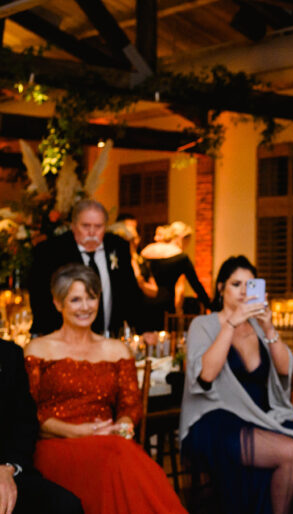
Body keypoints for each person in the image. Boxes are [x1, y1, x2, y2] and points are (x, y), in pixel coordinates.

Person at [22, 264, 186, 513]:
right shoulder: (37, 350)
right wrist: (77, 432)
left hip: (109, 441)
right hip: (54, 444)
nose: (86, 306)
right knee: (120, 460)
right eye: (76, 299)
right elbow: (26, 414)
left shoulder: (117, 350)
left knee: (125, 458)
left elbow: (130, 405)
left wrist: (123, 424)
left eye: (91, 297)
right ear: (58, 303)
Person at [180, 256, 293, 514]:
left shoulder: (259, 328)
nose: (242, 292)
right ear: (220, 288)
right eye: (236, 284)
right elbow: (205, 375)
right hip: (216, 419)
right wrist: (231, 324)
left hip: (260, 416)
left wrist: (269, 328)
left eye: (249, 286)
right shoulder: (202, 325)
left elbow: (286, 369)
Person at [28, 199, 141, 337]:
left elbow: (130, 291)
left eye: (98, 226)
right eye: (86, 226)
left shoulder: (118, 246)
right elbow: (40, 298)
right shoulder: (50, 251)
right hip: (63, 339)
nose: (92, 232)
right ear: (74, 226)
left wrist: (143, 328)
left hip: (109, 337)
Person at [0, 338, 83, 514]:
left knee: (66, 506)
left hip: (5, 471)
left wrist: (7, 467)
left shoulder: (9, 353)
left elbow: (24, 422)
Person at [138, 221, 211, 330]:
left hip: (143, 302)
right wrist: (211, 306)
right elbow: (195, 285)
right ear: (182, 238)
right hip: (165, 305)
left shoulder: (147, 250)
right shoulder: (181, 257)